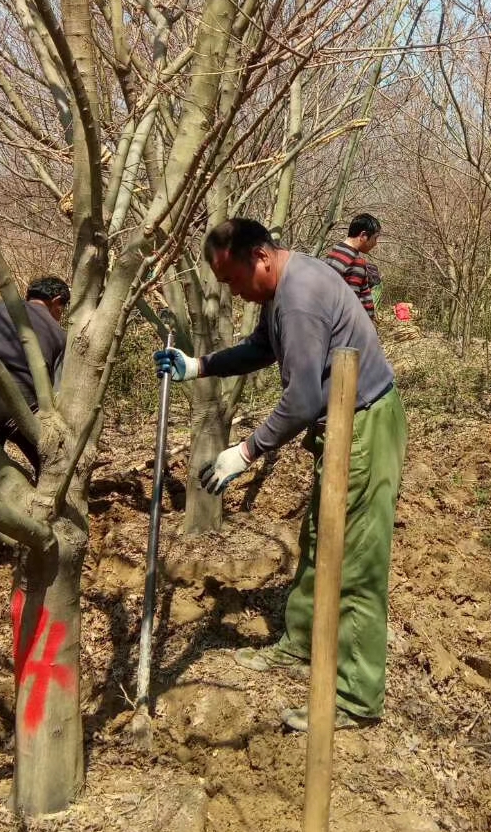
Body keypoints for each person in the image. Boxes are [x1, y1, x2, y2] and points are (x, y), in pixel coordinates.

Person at [156, 218, 407, 731]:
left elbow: (303, 399)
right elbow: (261, 349)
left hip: (364, 423)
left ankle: (357, 697)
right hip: (341, 423)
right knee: (319, 536)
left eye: (233, 280)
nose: (234, 292)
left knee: (355, 556)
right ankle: (300, 643)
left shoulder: (299, 297)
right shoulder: (285, 288)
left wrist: (245, 453)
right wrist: (199, 365)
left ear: (261, 258)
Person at [0, 275, 69, 573]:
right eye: (62, 308)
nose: (60, 315)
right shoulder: (59, 334)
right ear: (57, 302)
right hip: (23, 403)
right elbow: (57, 393)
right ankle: (47, 538)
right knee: (54, 467)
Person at [324, 213, 382, 322]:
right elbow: (351, 307)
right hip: (353, 329)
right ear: (363, 235)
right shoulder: (355, 262)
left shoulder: (334, 252)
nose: (376, 243)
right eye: (375, 238)